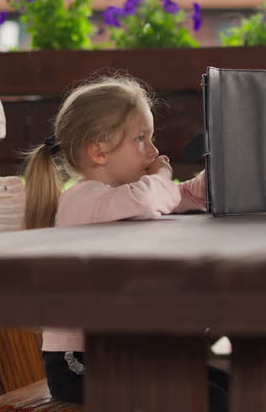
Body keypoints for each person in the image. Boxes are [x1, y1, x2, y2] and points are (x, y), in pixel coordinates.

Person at [21, 74, 228, 411]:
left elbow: (186, 196)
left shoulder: (120, 198)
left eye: (152, 138)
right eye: (141, 139)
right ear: (98, 151)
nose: (154, 151)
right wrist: (161, 176)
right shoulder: (83, 200)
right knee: (210, 400)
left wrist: (225, 165)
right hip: (79, 366)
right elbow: (149, 200)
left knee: (230, 389)